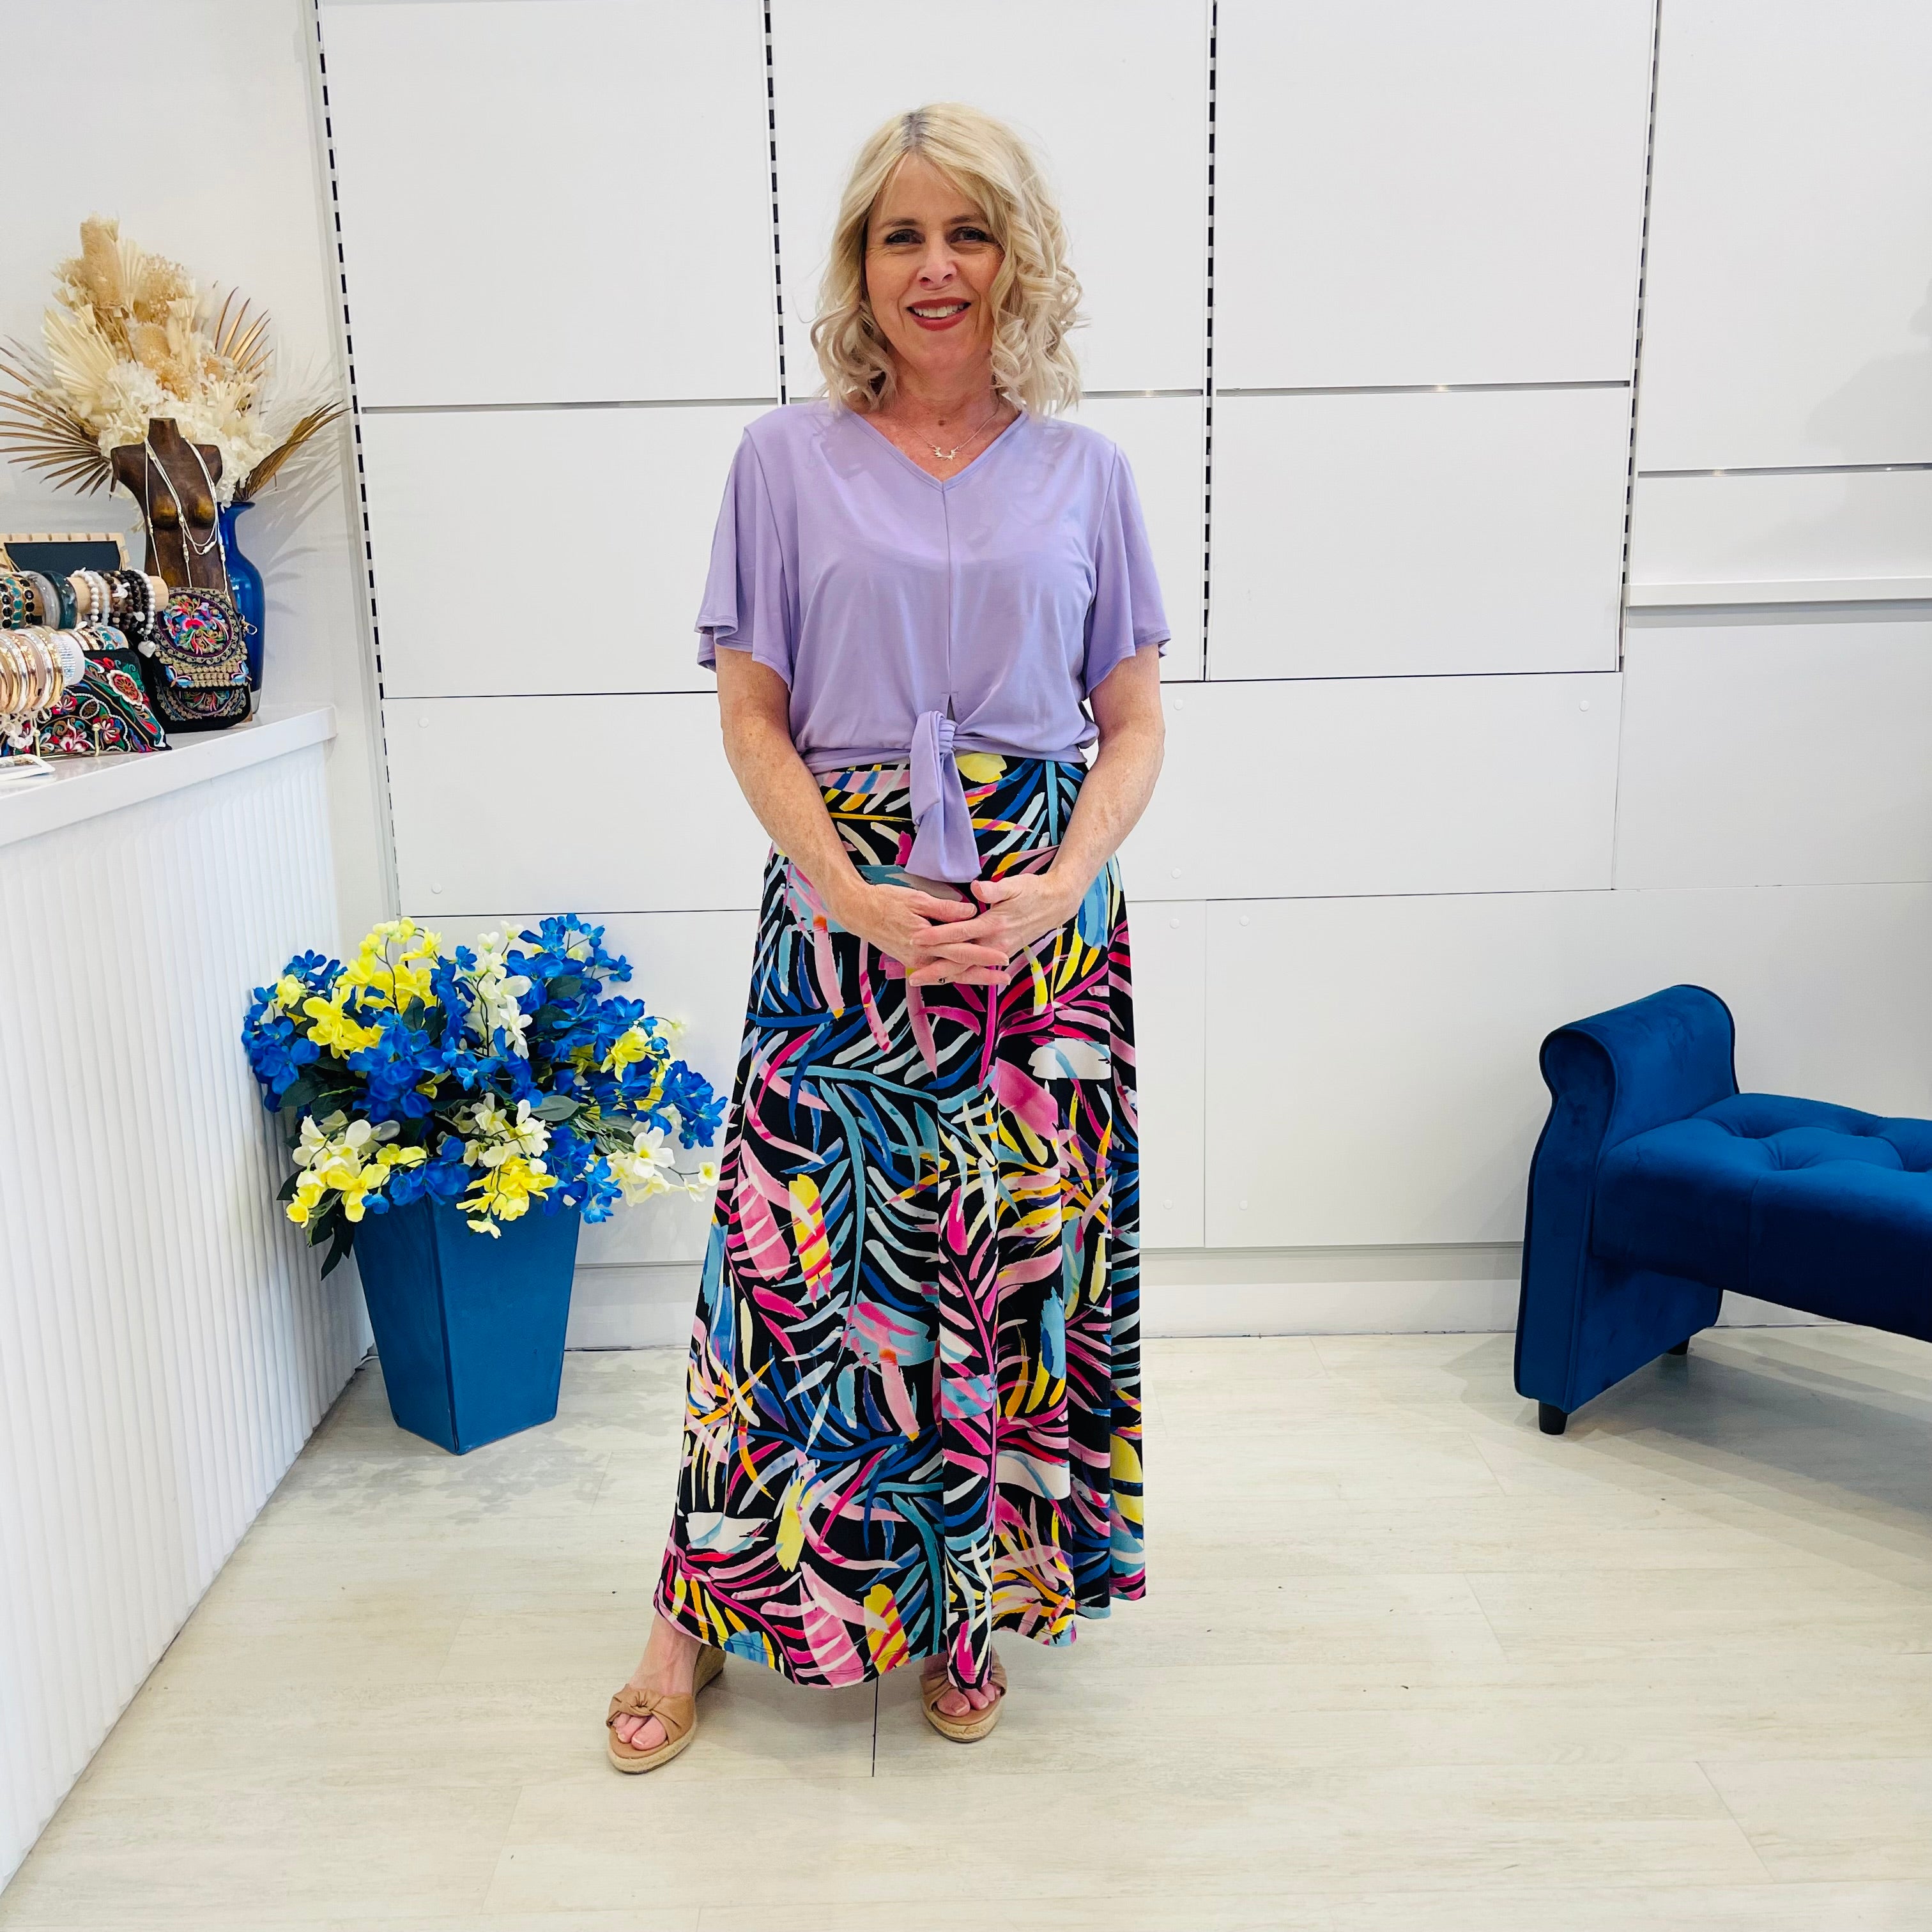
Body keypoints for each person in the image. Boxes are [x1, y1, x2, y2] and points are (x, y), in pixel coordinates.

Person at [606, 100, 1167, 1770]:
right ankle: (691, 1615)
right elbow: (753, 716)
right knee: (787, 1278)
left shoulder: (1089, 474)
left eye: (968, 232)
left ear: (1018, 258)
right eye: (901, 234)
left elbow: (1133, 725)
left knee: (997, 1276)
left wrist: (1060, 884)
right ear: (860, 264)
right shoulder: (781, 463)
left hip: (1038, 943)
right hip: (842, 916)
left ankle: (959, 1606)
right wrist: (846, 894)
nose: (936, 267)